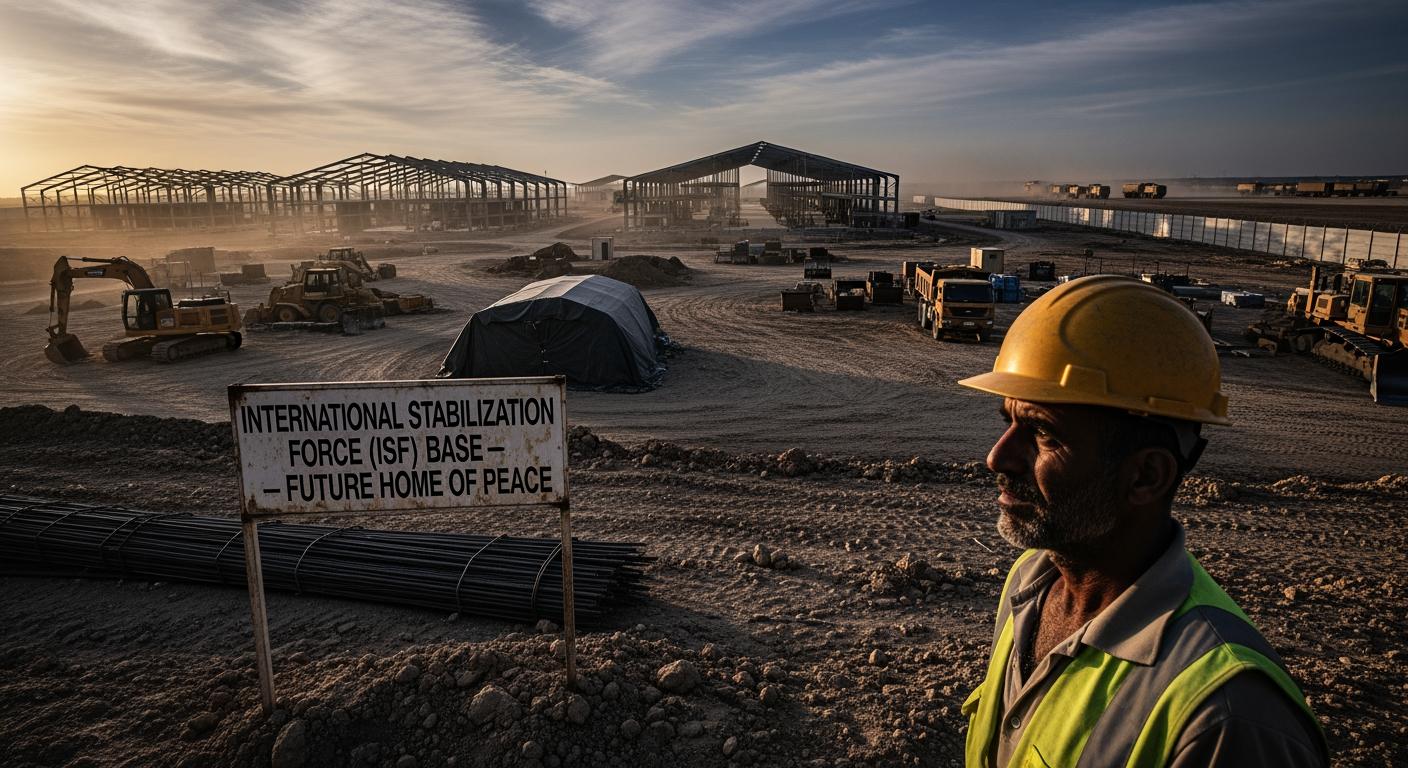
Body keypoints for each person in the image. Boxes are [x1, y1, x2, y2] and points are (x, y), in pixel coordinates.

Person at [956, 276, 1328, 767]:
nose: (997, 458)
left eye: (1043, 433)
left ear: (1146, 476)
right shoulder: (1028, 582)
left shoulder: (1227, 718)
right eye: (1009, 422)